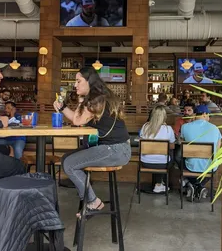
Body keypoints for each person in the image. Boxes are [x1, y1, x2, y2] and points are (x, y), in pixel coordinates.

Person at [53, 67, 131, 214]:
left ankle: (93, 201)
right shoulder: (99, 98)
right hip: (115, 148)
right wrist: (63, 107)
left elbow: (77, 120)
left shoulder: (96, 100)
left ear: (89, 82)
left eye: (78, 81)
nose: (75, 85)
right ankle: (89, 198)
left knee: (70, 164)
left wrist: (81, 100)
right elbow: (79, 119)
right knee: (66, 158)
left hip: (115, 150)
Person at [180, 105, 222, 202]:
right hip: (209, 168)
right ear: (204, 114)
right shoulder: (215, 128)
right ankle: (200, 187)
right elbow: (218, 150)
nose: (209, 118)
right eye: (208, 115)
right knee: (216, 162)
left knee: (179, 157)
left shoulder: (184, 127)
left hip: (191, 166)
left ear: (195, 114)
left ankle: (193, 185)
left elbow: (182, 145)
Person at [140, 105, 175, 193]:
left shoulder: (145, 126)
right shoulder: (168, 129)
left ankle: (158, 183)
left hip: (145, 162)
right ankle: (159, 184)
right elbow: (172, 146)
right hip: (163, 164)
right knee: (170, 155)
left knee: (156, 157)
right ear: (164, 116)